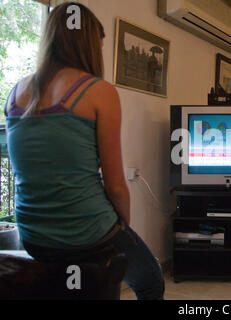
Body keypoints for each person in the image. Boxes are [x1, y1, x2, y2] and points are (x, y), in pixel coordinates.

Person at [4, 2, 164, 300]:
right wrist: (122, 229)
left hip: (31, 233)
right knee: (151, 281)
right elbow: (116, 186)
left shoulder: (15, 93)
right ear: (89, 43)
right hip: (86, 233)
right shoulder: (98, 91)